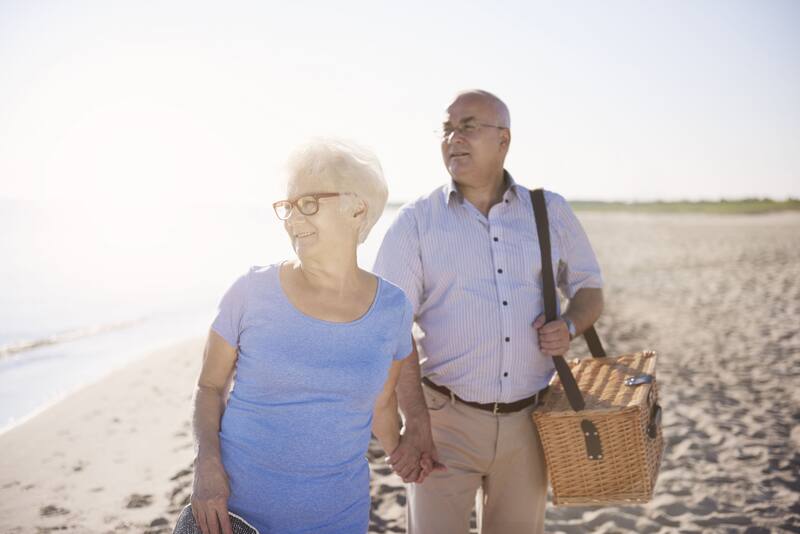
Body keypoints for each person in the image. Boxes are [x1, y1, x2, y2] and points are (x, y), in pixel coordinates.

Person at [373, 89, 605, 534]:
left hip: (530, 424)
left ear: (504, 140)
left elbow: (590, 288)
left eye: (468, 127)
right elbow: (389, 331)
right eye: (446, 129)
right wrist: (414, 422)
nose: (453, 139)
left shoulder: (549, 210)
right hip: (443, 424)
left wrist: (570, 324)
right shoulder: (415, 221)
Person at [190, 139, 417, 534]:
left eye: (309, 203)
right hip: (235, 516)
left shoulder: (392, 308)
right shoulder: (250, 291)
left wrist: (404, 451)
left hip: (338, 517)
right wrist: (205, 465)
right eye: (288, 205)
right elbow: (209, 387)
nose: (293, 219)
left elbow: (382, 404)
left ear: (357, 208)